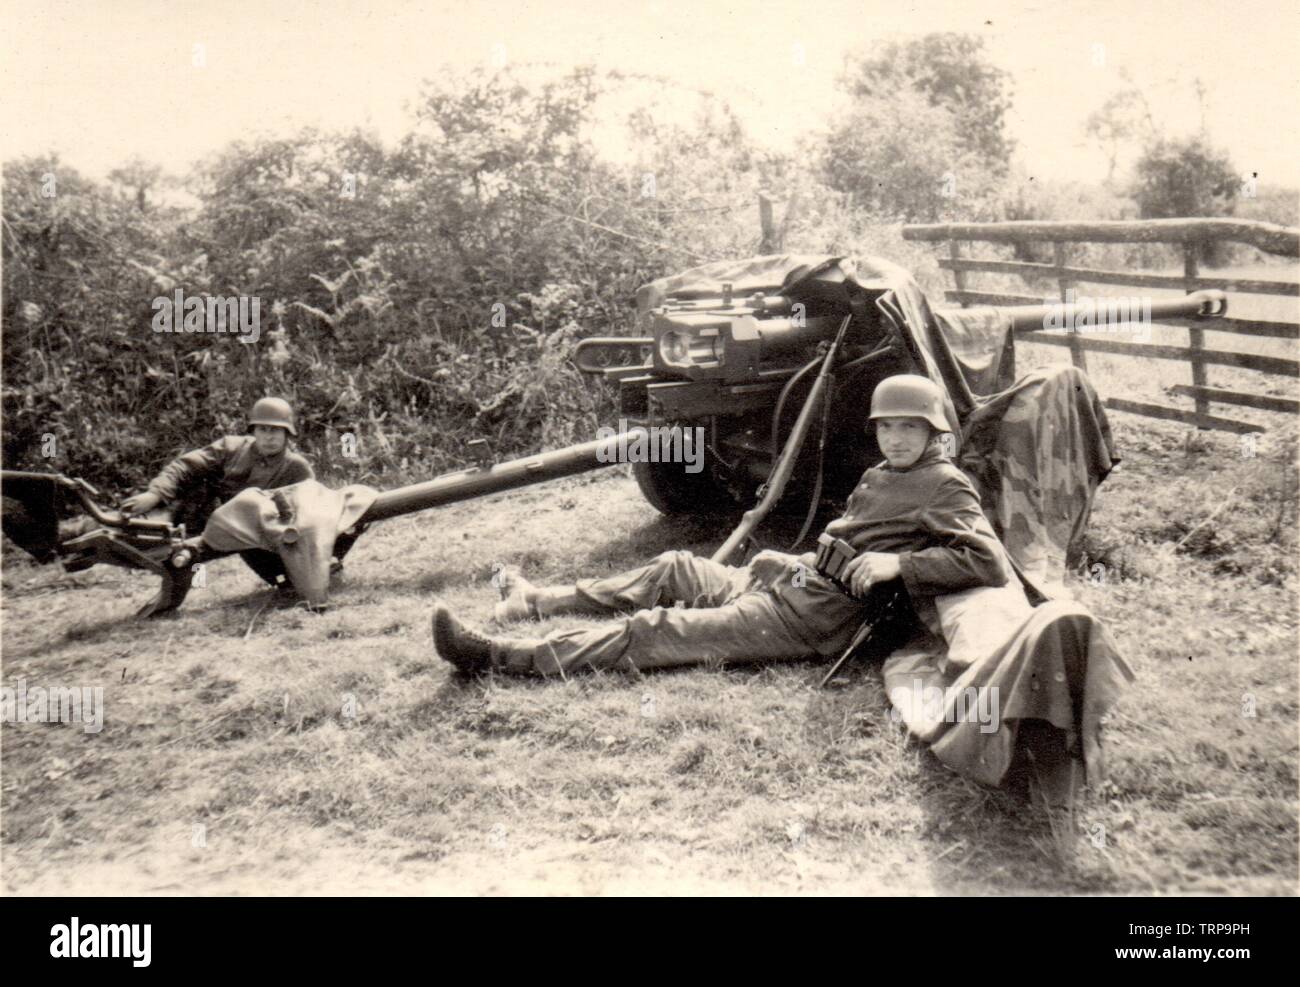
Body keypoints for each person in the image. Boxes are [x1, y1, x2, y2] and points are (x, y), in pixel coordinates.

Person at [430, 374, 1013, 677]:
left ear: (933, 430)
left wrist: (900, 565)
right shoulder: (883, 472)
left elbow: (986, 560)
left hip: (814, 622)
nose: (897, 437)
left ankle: (501, 656)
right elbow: (853, 542)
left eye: (910, 427)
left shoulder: (944, 483)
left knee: (656, 629)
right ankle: (534, 601)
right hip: (798, 586)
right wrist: (800, 560)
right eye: (888, 426)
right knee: (675, 565)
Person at [118, 397, 314, 572]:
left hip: (255, 538)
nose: (269, 437)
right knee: (136, 536)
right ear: (253, 430)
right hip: (204, 518)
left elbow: (311, 514)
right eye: (263, 429)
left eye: (276, 430)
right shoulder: (231, 447)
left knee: (176, 554)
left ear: (288, 433)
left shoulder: (296, 467)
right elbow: (185, 466)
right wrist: (155, 494)